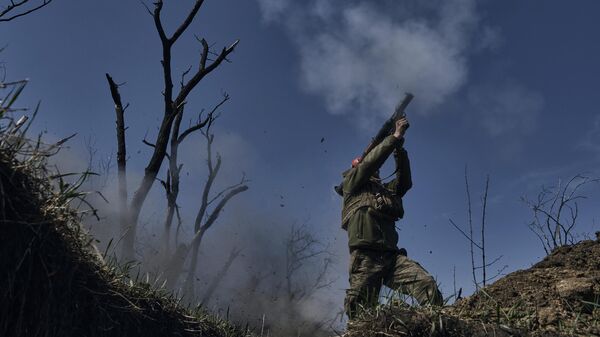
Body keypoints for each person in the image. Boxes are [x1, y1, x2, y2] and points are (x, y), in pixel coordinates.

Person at [341, 116, 443, 320]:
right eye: (371, 167)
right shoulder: (351, 184)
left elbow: (404, 183)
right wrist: (394, 137)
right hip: (365, 258)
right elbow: (369, 164)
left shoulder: (384, 191)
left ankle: (438, 326)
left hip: (391, 257)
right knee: (360, 312)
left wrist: (399, 150)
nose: (376, 170)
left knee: (426, 284)